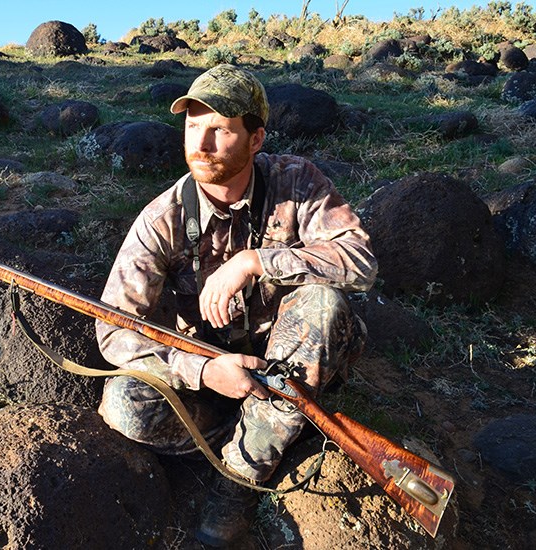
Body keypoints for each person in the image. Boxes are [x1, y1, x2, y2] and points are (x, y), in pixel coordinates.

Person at [95, 64, 378, 547]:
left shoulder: (297, 182)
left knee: (324, 304)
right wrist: (203, 372)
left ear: (256, 138)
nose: (200, 145)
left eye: (220, 130)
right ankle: (268, 431)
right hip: (215, 371)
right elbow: (114, 330)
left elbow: (359, 262)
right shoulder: (161, 218)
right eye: (192, 127)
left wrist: (253, 261)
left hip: (295, 360)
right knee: (126, 405)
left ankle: (237, 483)